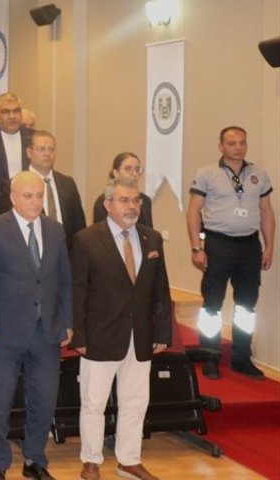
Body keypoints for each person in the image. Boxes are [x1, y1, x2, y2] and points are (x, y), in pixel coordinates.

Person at [0, 172, 72, 480]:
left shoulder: (55, 230)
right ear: (13, 198)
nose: (34, 202)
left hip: (47, 331)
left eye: (39, 195)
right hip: (5, 333)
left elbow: (65, 281)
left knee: (43, 400)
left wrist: (68, 322)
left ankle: (34, 460)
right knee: (0, 402)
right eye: (28, 196)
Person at [71, 177, 172, 480]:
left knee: (136, 401)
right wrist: (79, 334)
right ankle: (91, 460)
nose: (132, 206)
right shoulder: (86, 239)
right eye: (124, 200)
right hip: (100, 335)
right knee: (94, 403)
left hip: (140, 336)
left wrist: (162, 332)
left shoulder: (152, 238)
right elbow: (78, 291)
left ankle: (128, 460)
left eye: (136, 200)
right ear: (107, 204)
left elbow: (160, 289)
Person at [186, 126, 275, 380]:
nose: (238, 147)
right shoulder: (207, 173)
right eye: (232, 143)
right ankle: (209, 356)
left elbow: (266, 211)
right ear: (221, 146)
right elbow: (193, 211)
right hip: (218, 244)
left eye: (242, 143)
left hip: (249, 247)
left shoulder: (258, 174)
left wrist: (269, 246)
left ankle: (241, 358)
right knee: (212, 304)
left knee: (247, 306)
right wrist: (197, 247)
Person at [7, 131, 86, 248]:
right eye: (42, 149)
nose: (47, 154)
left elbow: (79, 225)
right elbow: (7, 226)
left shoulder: (67, 183)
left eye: (51, 149)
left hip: (65, 251)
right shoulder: (14, 184)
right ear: (29, 152)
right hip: (30, 250)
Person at [91, 153, 154, 228]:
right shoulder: (104, 201)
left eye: (137, 169)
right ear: (116, 173)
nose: (134, 174)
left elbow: (148, 232)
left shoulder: (145, 200)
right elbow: (100, 232)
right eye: (128, 169)